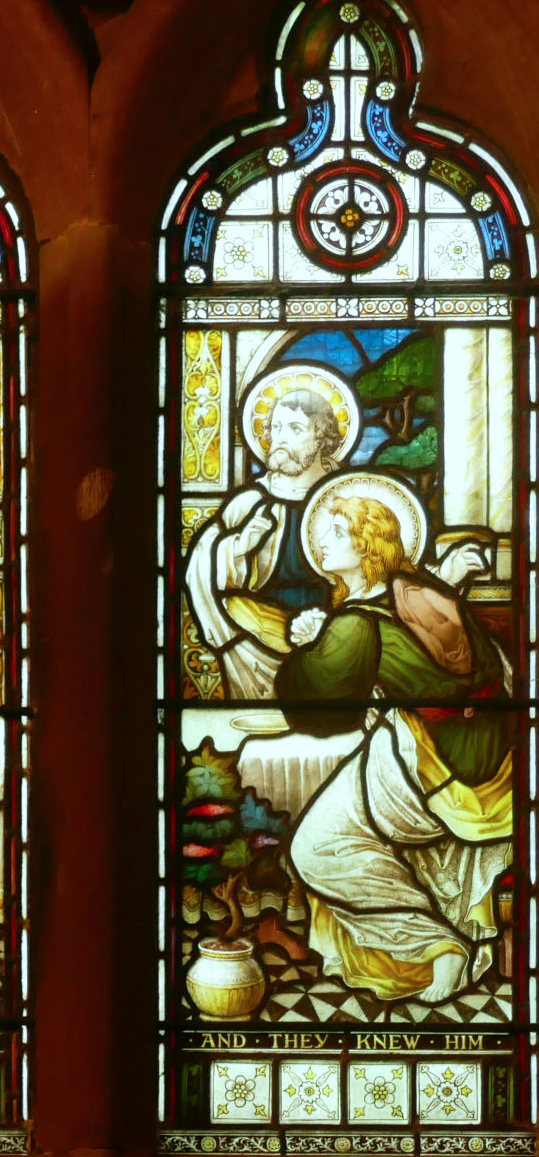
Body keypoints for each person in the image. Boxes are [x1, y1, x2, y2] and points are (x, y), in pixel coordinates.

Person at [277, 488, 512, 1002]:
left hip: (433, 766)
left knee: (317, 847)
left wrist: (306, 648)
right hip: (486, 752)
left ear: (369, 545)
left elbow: (315, 707)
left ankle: (438, 947)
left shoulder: (357, 623)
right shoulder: (417, 590)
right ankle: (435, 944)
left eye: (338, 531)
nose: (322, 541)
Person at [186, 381, 349, 699]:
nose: (280, 438)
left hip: (335, 632)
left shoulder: (346, 499)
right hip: (255, 643)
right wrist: (238, 547)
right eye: (276, 428)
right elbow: (201, 567)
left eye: (295, 428)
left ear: (321, 439)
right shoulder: (249, 502)